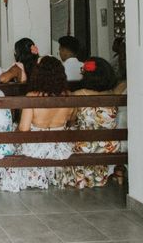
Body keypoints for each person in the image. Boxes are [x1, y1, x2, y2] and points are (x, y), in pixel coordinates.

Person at [0, 57, 74, 192]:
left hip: (35, 148)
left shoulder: (32, 96)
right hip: (60, 148)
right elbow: (71, 120)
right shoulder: (69, 95)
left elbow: (24, 129)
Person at [57, 57, 120, 189]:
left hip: (85, 145)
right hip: (109, 145)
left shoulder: (78, 94)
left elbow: (71, 120)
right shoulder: (112, 94)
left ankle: (78, 178)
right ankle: (98, 176)